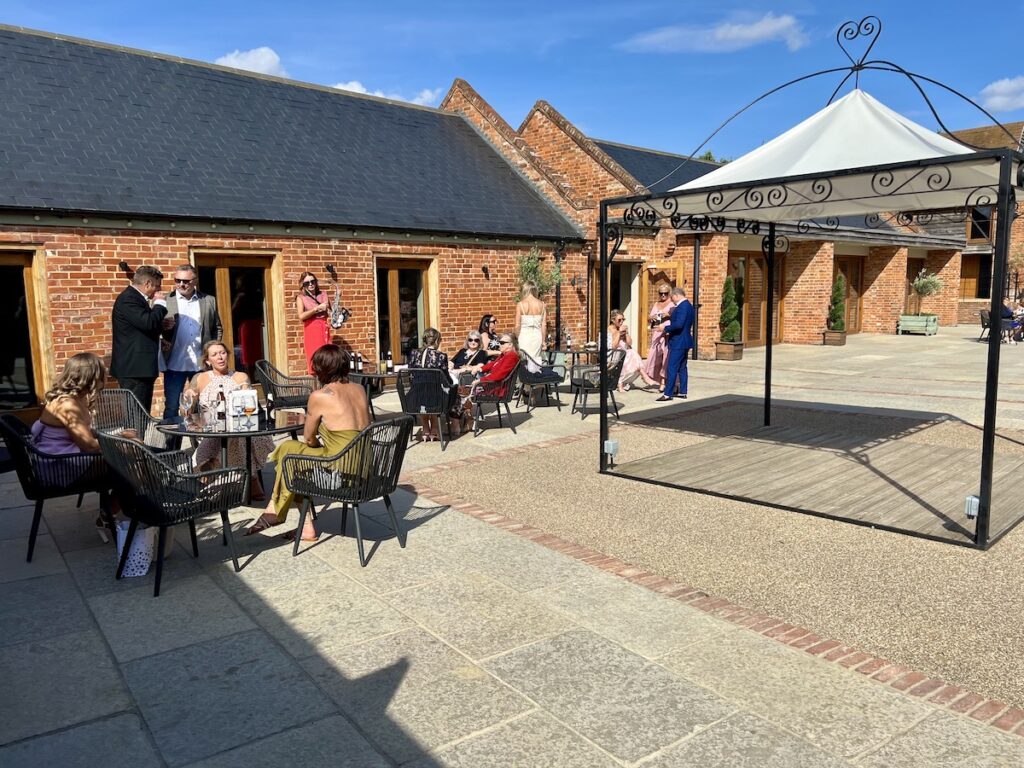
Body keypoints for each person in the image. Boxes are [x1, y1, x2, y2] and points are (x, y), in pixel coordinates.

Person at [246, 345, 370, 541]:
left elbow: (309, 439)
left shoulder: (320, 396)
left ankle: (279, 512)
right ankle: (285, 516)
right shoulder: (360, 389)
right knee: (289, 451)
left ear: (321, 369)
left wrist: (322, 444)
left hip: (341, 473)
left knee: (290, 458)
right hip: (364, 467)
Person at [31, 352, 133, 540]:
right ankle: (121, 514)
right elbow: (89, 447)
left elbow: (85, 434)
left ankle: (129, 507)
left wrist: (119, 435)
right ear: (91, 377)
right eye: (103, 372)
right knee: (133, 467)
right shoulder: (68, 405)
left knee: (133, 458)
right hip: (59, 465)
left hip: (62, 457)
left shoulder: (73, 398)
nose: (106, 375)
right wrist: (123, 443)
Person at [185, 341, 272, 501]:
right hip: (213, 431)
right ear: (207, 360)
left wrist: (246, 390)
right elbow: (190, 396)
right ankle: (248, 479)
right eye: (214, 354)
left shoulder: (240, 376)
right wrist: (190, 394)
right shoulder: (200, 378)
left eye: (222, 353)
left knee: (238, 436)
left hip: (242, 428)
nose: (220, 357)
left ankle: (250, 478)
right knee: (205, 453)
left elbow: (247, 397)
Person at [160, 264, 222, 420]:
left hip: (201, 365)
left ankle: (203, 444)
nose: (181, 284)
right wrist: (161, 333)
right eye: (178, 280)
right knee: (172, 407)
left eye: (186, 281)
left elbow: (217, 328)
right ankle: (171, 444)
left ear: (195, 281)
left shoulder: (209, 300)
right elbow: (152, 328)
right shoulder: (165, 301)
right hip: (174, 365)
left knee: (204, 405)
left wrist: (212, 354)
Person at [110, 265, 170, 413]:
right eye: (157, 286)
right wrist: (160, 303)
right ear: (147, 284)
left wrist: (161, 325)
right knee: (136, 416)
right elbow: (148, 323)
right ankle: (135, 437)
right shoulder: (129, 299)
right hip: (134, 370)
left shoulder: (136, 298)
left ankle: (137, 436)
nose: (158, 290)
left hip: (139, 369)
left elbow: (140, 328)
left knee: (140, 415)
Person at [406, 328, 457, 441]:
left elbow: (410, 374)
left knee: (424, 392)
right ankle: (434, 428)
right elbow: (445, 379)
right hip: (435, 397)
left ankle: (425, 428)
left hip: (415, 396)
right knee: (438, 391)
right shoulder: (441, 356)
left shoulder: (414, 353)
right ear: (437, 340)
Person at [656, 286, 695, 401]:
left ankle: (667, 394)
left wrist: (664, 327)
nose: (671, 300)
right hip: (685, 340)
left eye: (672, 297)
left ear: (677, 295)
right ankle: (683, 391)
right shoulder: (688, 305)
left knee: (672, 367)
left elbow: (679, 324)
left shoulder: (683, 306)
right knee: (682, 367)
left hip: (679, 341)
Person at [608, 310, 658, 392]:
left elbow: (630, 343)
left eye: (623, 319)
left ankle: (642, 376)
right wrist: (619, 333)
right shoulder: (610, 330)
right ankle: (645, 377)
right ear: (613, 320)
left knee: (631, 353)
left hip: (624, 354)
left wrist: (626, 333)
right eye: (619, 320)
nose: (621, 322)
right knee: (631, 353)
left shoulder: (621, 328)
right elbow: (613, 346)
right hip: (614, 355)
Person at [296, 272, 331, 374]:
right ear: (303, 285)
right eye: (307, 283)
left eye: (312, 281)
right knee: (315, 362)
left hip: (324, 328)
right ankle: (316, 389)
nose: (310, 284)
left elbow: (330, 312)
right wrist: (316, 309)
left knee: (328, 359)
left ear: (316, 282)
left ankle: (327, 388)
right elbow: (301, 316)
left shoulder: (323, 294)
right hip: (311, 330)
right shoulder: (301, 298)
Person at [644, 283, 676, 388]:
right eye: (661, 293)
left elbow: (676, 317)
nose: (663, 296)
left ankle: (663, 381)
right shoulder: (656, 304)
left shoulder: (672, 304)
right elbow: (648, 318)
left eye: (665, 294)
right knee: (655, 356)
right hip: (656, 332)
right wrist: (651, 317)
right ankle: (657, 378)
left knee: (666, 357)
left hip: (666, 332)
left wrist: (667, 315)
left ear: (669, 293)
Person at [515, 283, 546, 363]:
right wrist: (543, 341)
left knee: (524, 360)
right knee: (535, 361)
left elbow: (517, 325)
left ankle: (525, 375)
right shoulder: (542, 305)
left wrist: (516, 338)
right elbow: (544, 325)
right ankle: (535, 374)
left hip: (524, 336)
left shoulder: (521, 304)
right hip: (537, 335)